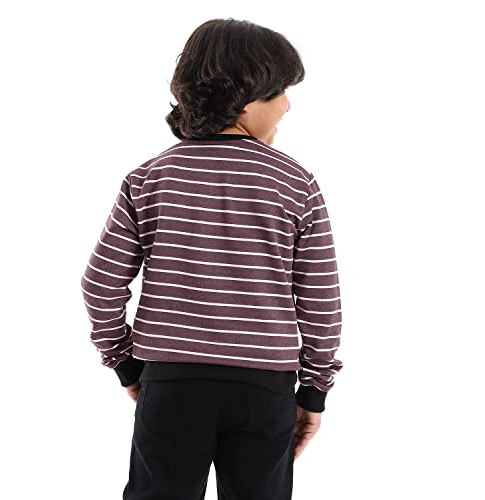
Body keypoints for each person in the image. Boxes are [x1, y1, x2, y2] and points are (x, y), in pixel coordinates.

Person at [81, 17, 344, 500]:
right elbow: (321, 302)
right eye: (279, 92)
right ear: (244, 98)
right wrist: (314, 389)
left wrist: (126, 364)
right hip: (264, 389)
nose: (287, 105)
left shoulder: (149, 178)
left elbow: (100, 283)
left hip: (172, 383)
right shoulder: (295, 184)